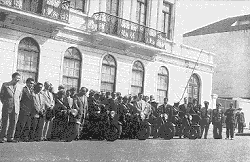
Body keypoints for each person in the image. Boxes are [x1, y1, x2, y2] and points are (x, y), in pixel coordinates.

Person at [0, 72, 23, 143]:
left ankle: (10, 137)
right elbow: (1, 96)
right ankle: (3, 137)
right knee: (5, 122)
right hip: (7, 107)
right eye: (17, 78)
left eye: (19, 79)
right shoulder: (5, 85)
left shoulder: (20, 86)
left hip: (16, 107)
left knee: (13, 122)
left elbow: (20, 97)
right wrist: (6, 103)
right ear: (13, 78)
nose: (18, 80)